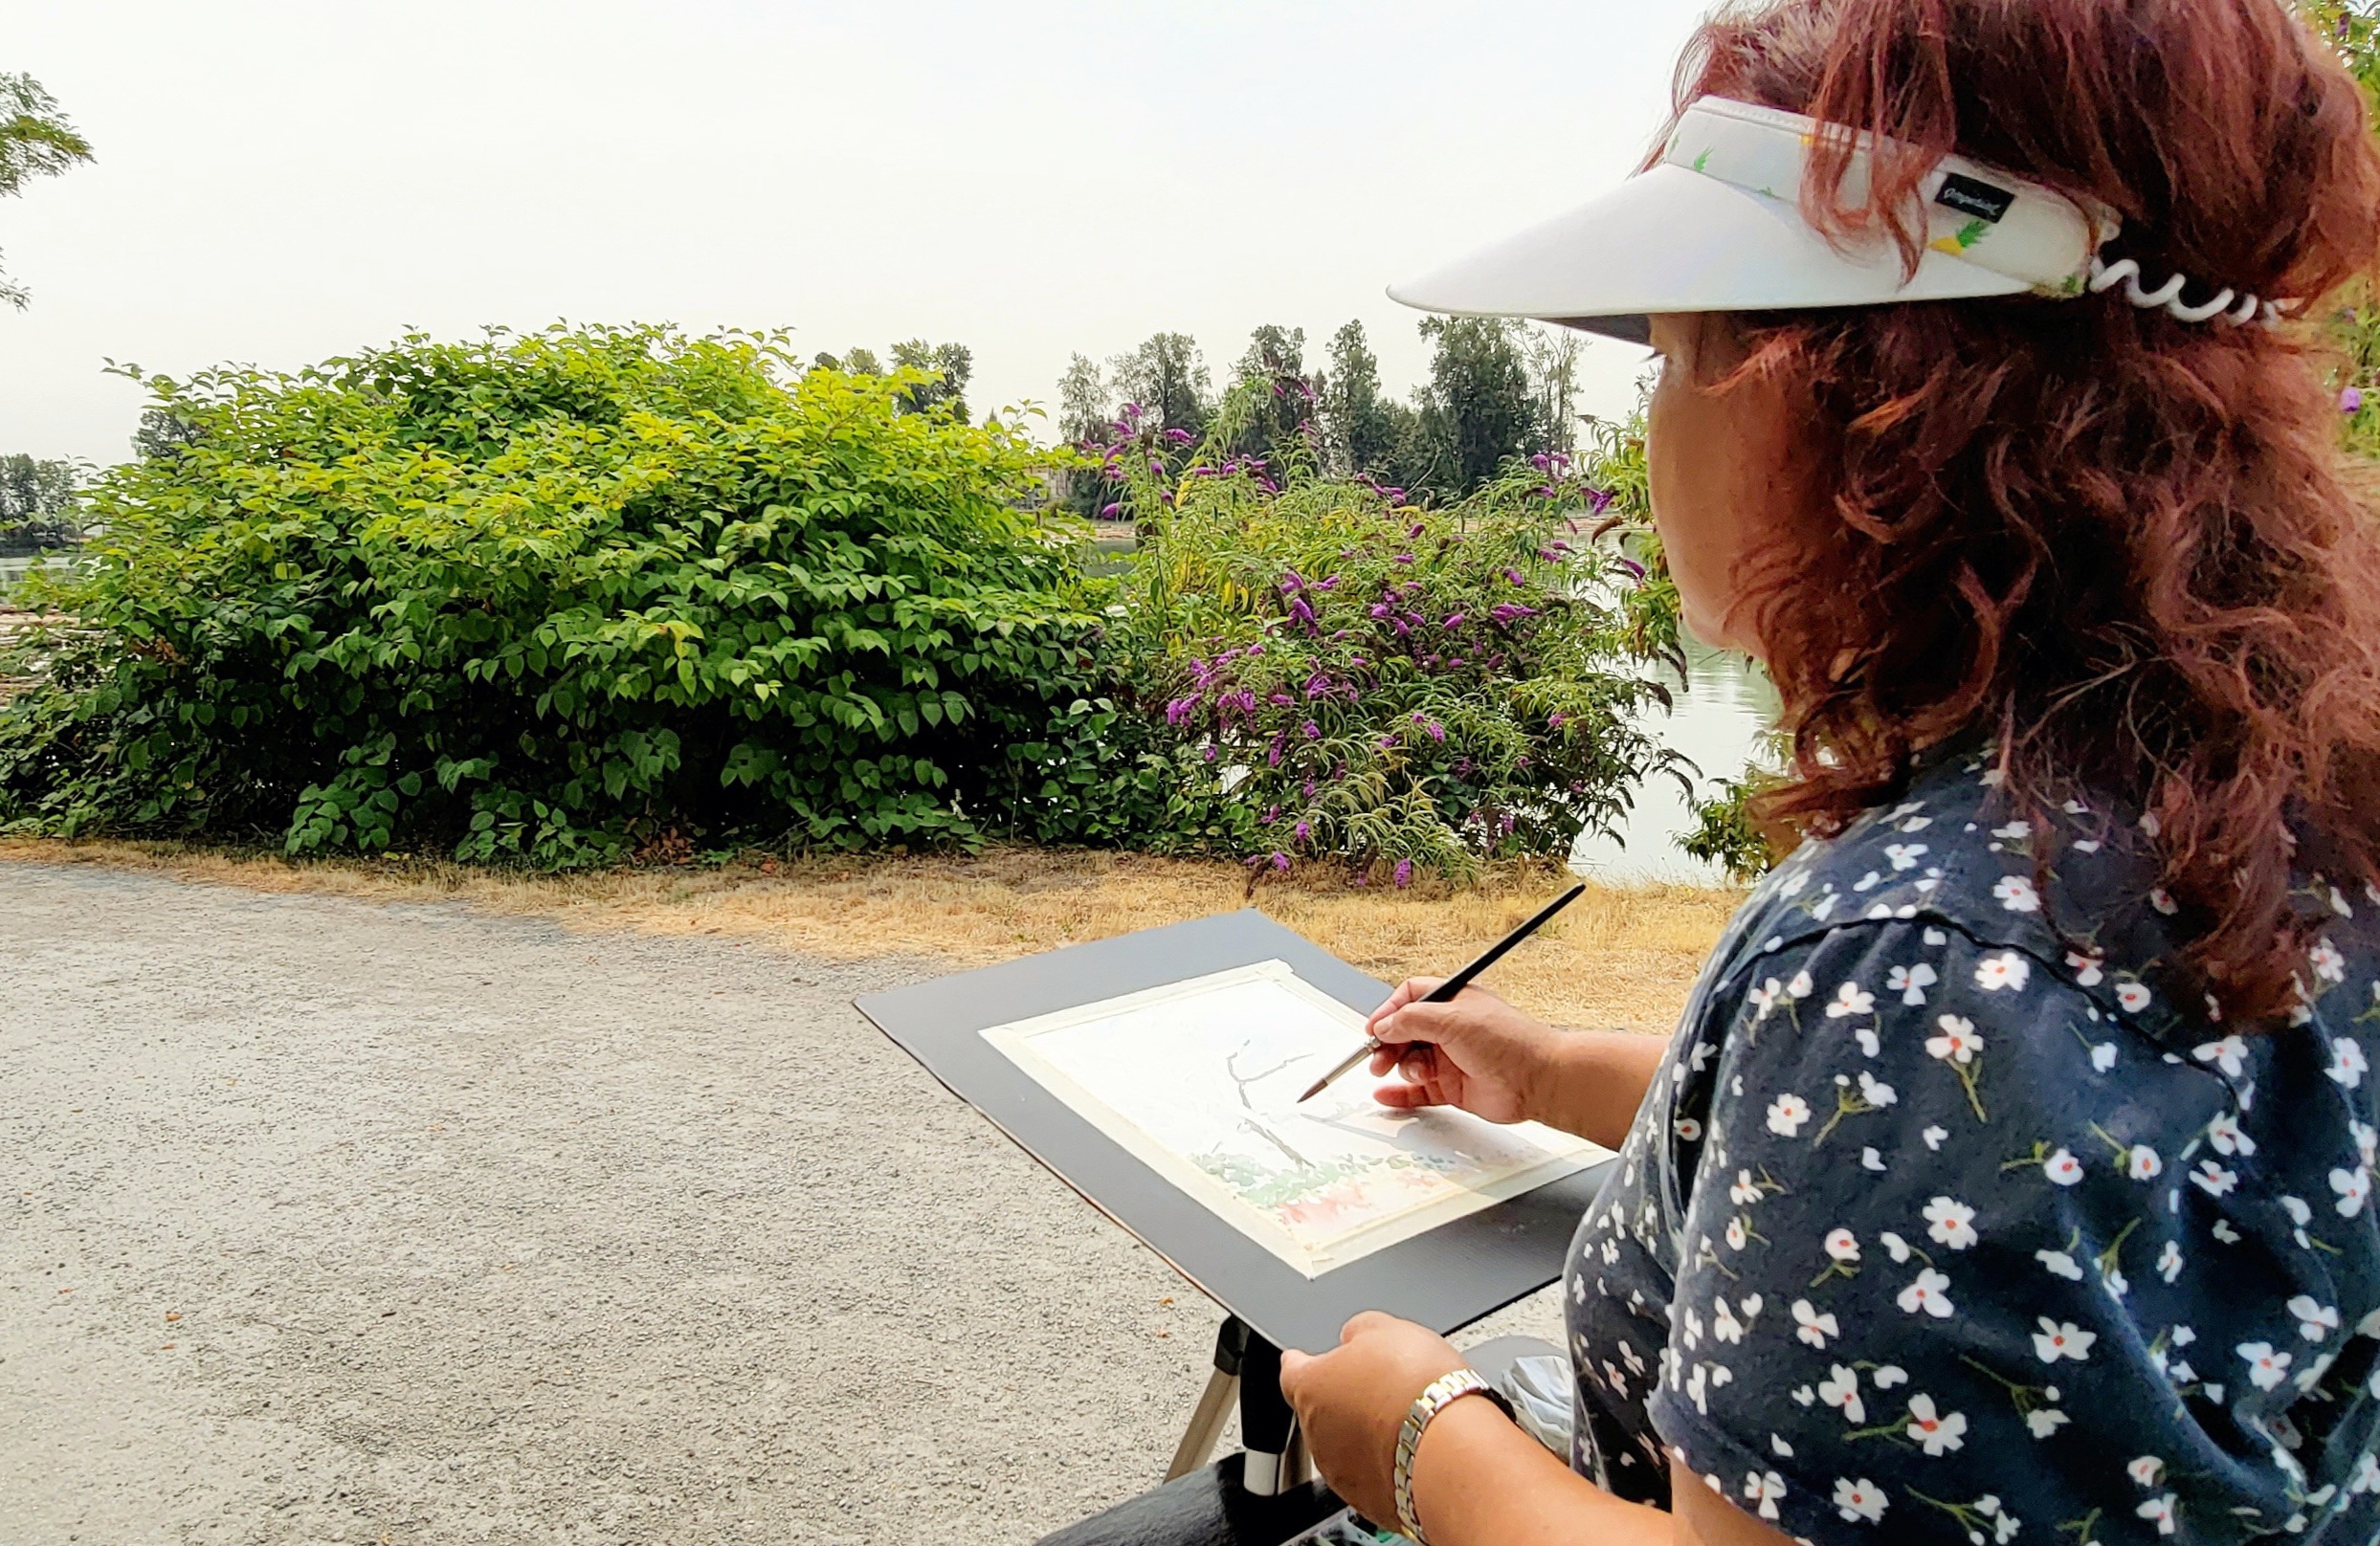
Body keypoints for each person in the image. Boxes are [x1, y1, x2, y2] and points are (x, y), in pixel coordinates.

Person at [1276, 2, 2380, 1544]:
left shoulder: (1926, 957)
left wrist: (1418, 1435)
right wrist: (1554, 1075)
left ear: (1854, 395)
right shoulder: (2258, 788)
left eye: (1669, 357)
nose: (1652, 432)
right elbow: (2012, 1180)